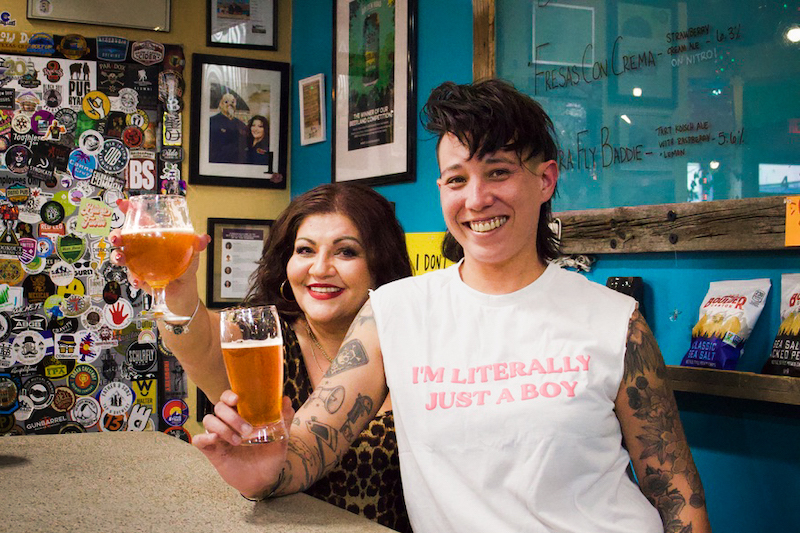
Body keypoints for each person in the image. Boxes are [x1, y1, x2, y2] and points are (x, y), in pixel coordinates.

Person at [191, 80, 713, 533]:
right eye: (458, 179)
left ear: (546, 179)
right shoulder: (394, 311)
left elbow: (675, 490)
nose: (477, 198)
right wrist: (264, 470)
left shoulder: (614, 319)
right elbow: (309, 446)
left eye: (499, 172)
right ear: (442, 189)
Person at [109, 184, 413, 532]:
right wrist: (177, 285)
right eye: (305, 250)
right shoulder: (261, 338)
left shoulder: (412, 341)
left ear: (381, 261)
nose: (320, 268)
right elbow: (199, 342)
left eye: (346, 252)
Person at [208, 92, 248, 164]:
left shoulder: (241, 124)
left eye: (233, 102)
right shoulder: (212, 122)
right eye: (226, 102)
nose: (230, 104)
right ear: (220, 104)